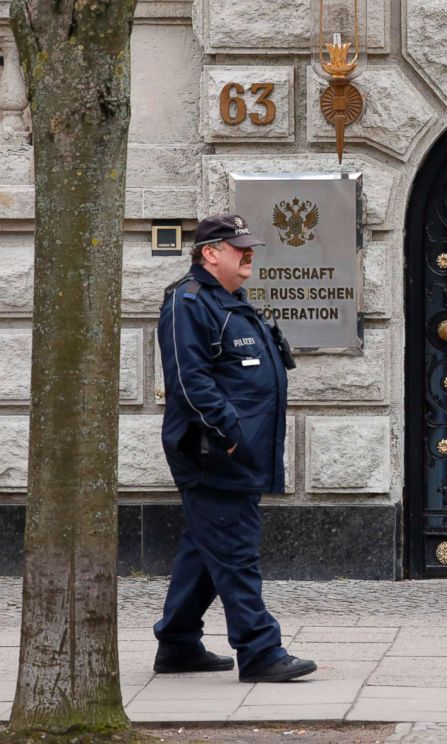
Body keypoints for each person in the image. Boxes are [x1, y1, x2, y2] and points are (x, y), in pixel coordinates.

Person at [152, 213, 316, 683]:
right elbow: (190, 381)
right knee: (236, 548)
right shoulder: (189, 303)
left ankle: (178, 643)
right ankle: (261, 651)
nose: (248, 254)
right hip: (212, 452)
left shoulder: (230, 301)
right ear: (210, 253)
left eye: (250, 246)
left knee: (208, 546)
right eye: (238, 246)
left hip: (237, 451)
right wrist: (231, 437)